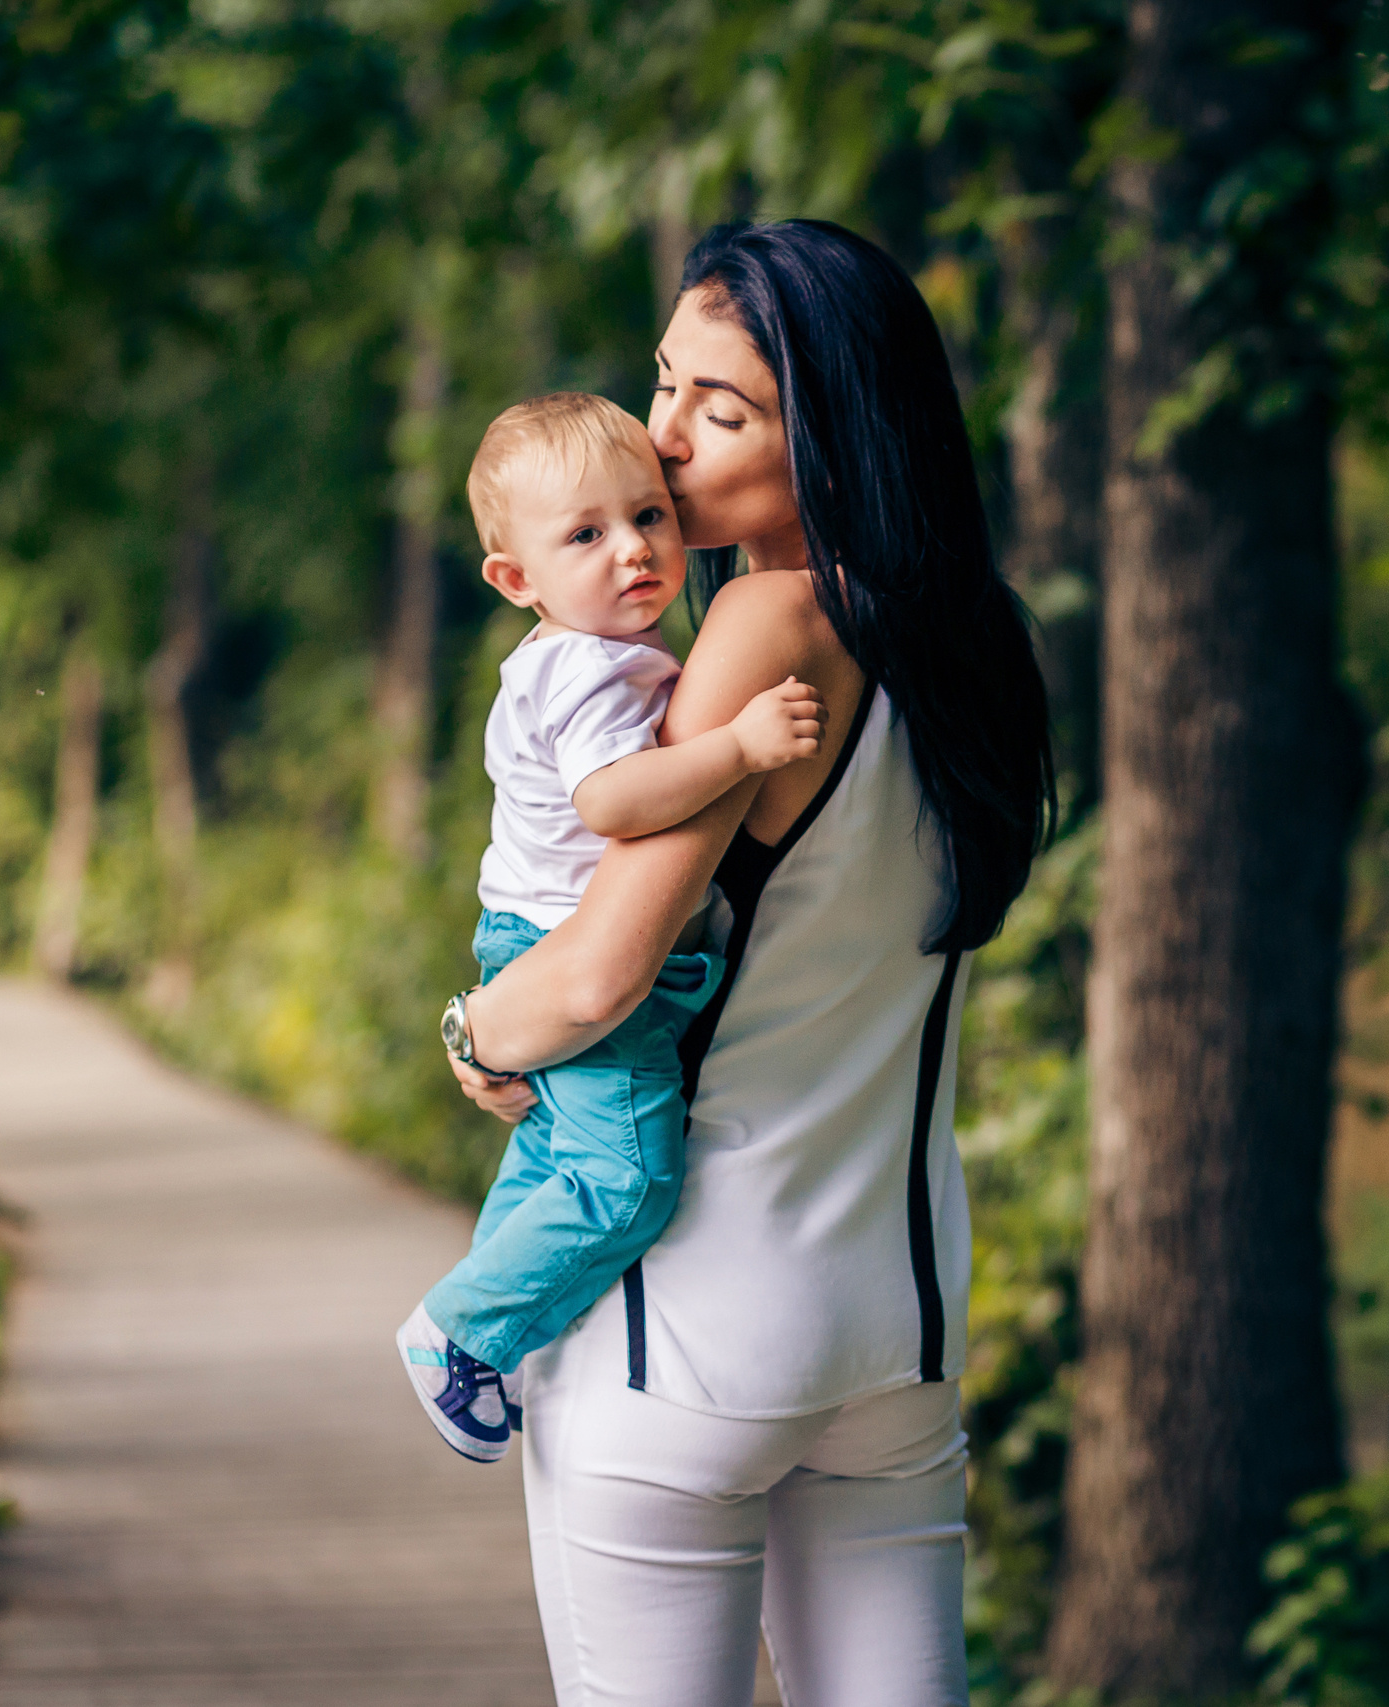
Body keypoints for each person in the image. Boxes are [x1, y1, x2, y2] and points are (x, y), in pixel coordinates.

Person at [438, 221, 1054, 1707]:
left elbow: (600, 974)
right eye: (665, 383)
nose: (661, 436)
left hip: (690, 1327)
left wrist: (473, 1032)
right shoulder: (976, 642)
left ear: (831, 436)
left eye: (718, 410)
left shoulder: (763, 623)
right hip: (896, 1327)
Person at [398, 391, 830, 1463]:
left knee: (553, 1154)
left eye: (647, 517)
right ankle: (464, 1330)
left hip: (525, 933)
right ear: (517, 580)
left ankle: (487, 1328)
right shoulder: (588, 668)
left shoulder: (587, 651)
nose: (633, 549)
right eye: (585, 536)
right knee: (627, 1177)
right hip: (561, 945)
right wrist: (739, 747)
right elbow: (614, 802)